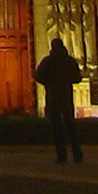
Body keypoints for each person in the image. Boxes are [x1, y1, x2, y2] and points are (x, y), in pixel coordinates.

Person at [35, 34, 85, 164]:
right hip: (66, 97)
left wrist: (49, 82)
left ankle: (61, 155)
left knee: (57, 128)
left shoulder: (48, 61)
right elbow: (78, 78)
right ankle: (77, 153)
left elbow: (38, 76)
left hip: (53, 97)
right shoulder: (69, 61)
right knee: (71, 126)